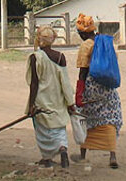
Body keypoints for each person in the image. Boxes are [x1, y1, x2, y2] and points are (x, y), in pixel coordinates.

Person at [74, 13, 123, 169]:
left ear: (82, 33)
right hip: (107, 87)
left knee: (86, 118)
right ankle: (112, 155)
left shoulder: (86, 45)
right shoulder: (105, 42)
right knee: (109, 118)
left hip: (92, 86)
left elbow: (82, 72)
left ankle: (82, 155)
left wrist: (79, 93)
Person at [26, 26, 75, 169]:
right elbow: (65, 82)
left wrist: (31, 104)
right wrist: (70, 103)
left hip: (41, 99)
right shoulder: (60, 57)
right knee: (59, 127)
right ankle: (62, 148)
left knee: (43, 129)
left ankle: (47, 158)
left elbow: (34, 83)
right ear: (52, 39)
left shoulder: (35, 57)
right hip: (57, 99)